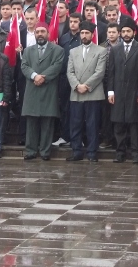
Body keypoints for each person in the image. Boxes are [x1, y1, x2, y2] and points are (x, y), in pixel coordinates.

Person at [106, 17, 138, 164]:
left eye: (128, 31)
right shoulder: (115, 49)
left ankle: (136, 153)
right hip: (118, 92)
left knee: (134, 124)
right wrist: (110, 91)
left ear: (134, 32)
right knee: (118, 123)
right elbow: (111, 71)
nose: (125, 34)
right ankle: (120, 152)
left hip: (135, 91)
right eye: (123, 31)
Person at [21, 22, 65, 161]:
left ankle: (45, 152)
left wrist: (42, 77)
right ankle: (30, 151)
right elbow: (24, 66)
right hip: (32, 90)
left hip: (49, 89)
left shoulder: (58, 50)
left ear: (48, 33)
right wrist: (34, 76)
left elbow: (56, 66)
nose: (40, 34)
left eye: (42, 31)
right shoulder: (28, 50)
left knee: (47, 122)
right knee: (31, 123)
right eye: (37, 31)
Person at [66, 21, 108, 162]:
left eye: (87, 33)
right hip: (76, 93)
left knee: (92, 124)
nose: (84, 36)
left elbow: (100, 72)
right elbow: (70, 72)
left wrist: (86, 86)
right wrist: (77, 86)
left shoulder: (101, 51)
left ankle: (92, 152)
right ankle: (76, 151)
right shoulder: (73, 51)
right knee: (76, 124)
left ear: (92, 34)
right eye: (82, 33)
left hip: (93, 93)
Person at [54, 12, 81, 147]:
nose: (73, 24)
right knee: (64, 108)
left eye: (76, 22)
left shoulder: (83, 38)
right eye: (71, 22)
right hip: (64, 77)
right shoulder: (64, 38)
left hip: (79, 78)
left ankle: (78, 138)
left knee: (78, 110)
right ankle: (65, 136)